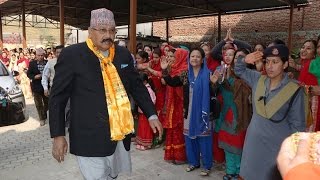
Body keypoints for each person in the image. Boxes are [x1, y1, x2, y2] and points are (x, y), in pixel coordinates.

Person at [49, 8, 162, 180]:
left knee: (112, 175)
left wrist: (152, 114)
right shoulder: (73, 55)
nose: (108, 35)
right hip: (88, 136)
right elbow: (58, 97)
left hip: (119, 135)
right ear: (90, 32)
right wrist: (58, 135)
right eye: (102, 30)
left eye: (112, 30)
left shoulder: (123, 55)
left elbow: (136, 86)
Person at [235, 45, 307, 180]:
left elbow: (297, 126)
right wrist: (244, 59)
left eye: (275, 62)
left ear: (285, 64)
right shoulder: (258, 80)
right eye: (267, 61)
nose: (269, 66)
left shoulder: (294, 90)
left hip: (276, 149)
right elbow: (239, 70)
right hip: (253, 144)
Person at [162, 48, 212, 175]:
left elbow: (214, 91)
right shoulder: (185, 74)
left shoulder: (208, 74)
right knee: (189, 138)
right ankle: (193, 162)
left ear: (202, 60)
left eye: (197, 57)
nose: (194, 59)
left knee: (204, 138)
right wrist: (164, 70)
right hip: (188, 110)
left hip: (202, 112)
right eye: (192, 56)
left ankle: (206, 166)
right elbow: (172, 83)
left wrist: (215, 83)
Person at [27, 48, 48, 126]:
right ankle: (41, 118)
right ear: (36, 56)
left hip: (46, 87)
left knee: (47, 103)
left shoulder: (47, 63)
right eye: (38, 55)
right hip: (36, 86)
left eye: (42, 55)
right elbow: (28, 74)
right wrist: (35, 77)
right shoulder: (32, 63)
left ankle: (44, 114)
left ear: (44, 55)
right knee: (38, 104)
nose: (40, 57)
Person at [136, 73, 156, 150]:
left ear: (144, 81)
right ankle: (141, 142)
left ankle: (147, 144)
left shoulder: (149, 90)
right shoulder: (144, 89)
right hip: (142, 112)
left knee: (146, 128)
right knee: (141, 127)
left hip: (146, 113)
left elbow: (152, 101)